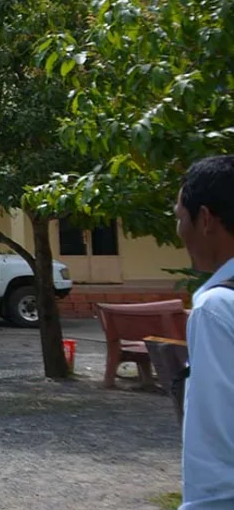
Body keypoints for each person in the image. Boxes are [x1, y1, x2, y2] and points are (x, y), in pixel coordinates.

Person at [177, 155, 234, 510]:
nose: (179, 231)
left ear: (206, 219)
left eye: (180, 218)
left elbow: (217, 439)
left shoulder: (217, 309)